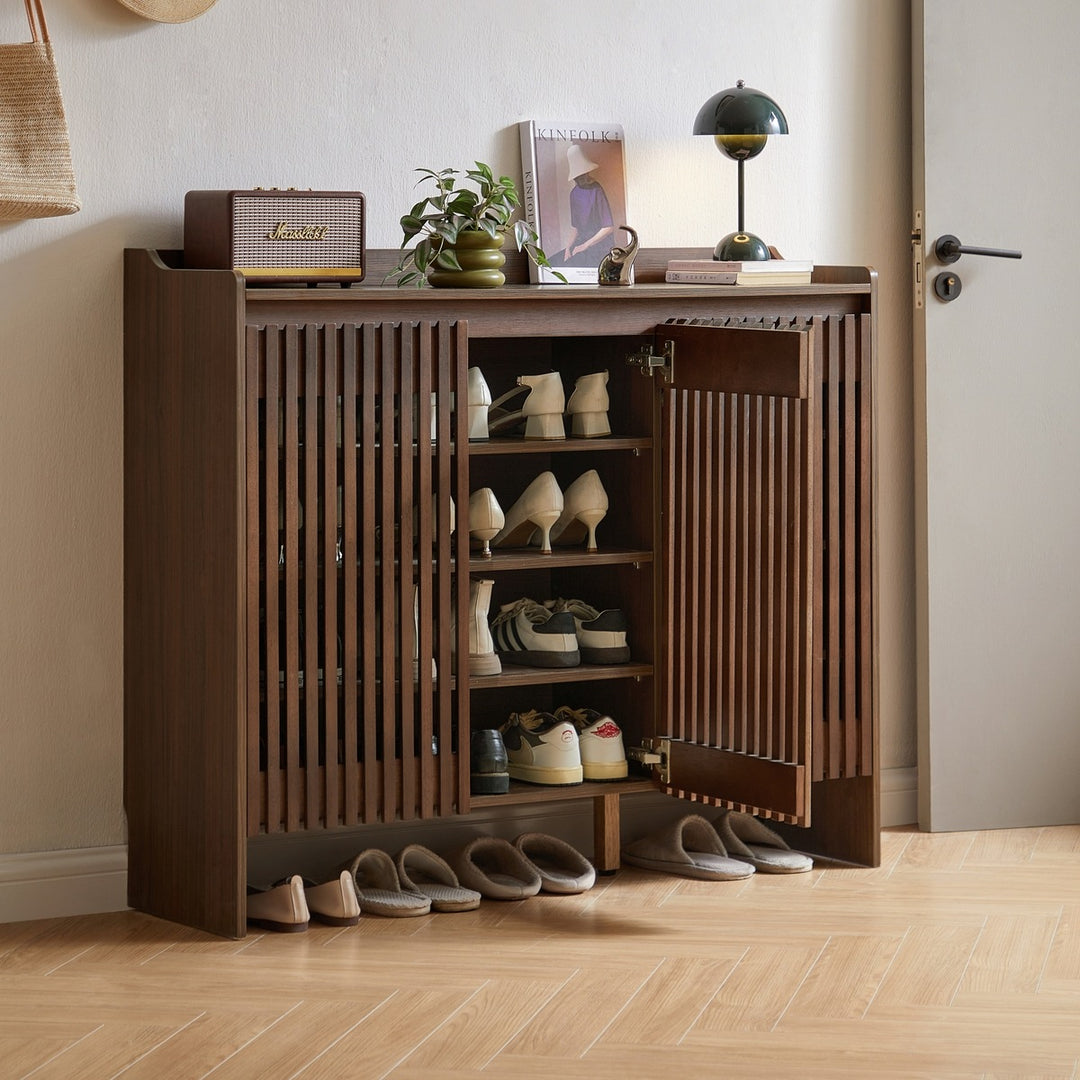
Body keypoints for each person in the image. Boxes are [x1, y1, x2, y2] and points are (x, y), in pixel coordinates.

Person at [558, 144, 615, 267]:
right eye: (578, 176)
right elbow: (575, 227)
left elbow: (608, 227)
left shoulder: (596, 189)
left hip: (599, 246)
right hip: (581, 243)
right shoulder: (573, 194)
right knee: (556, 262)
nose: (581, 178)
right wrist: (568, 248)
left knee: (573, 265)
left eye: (583, 174)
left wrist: (585, 245)